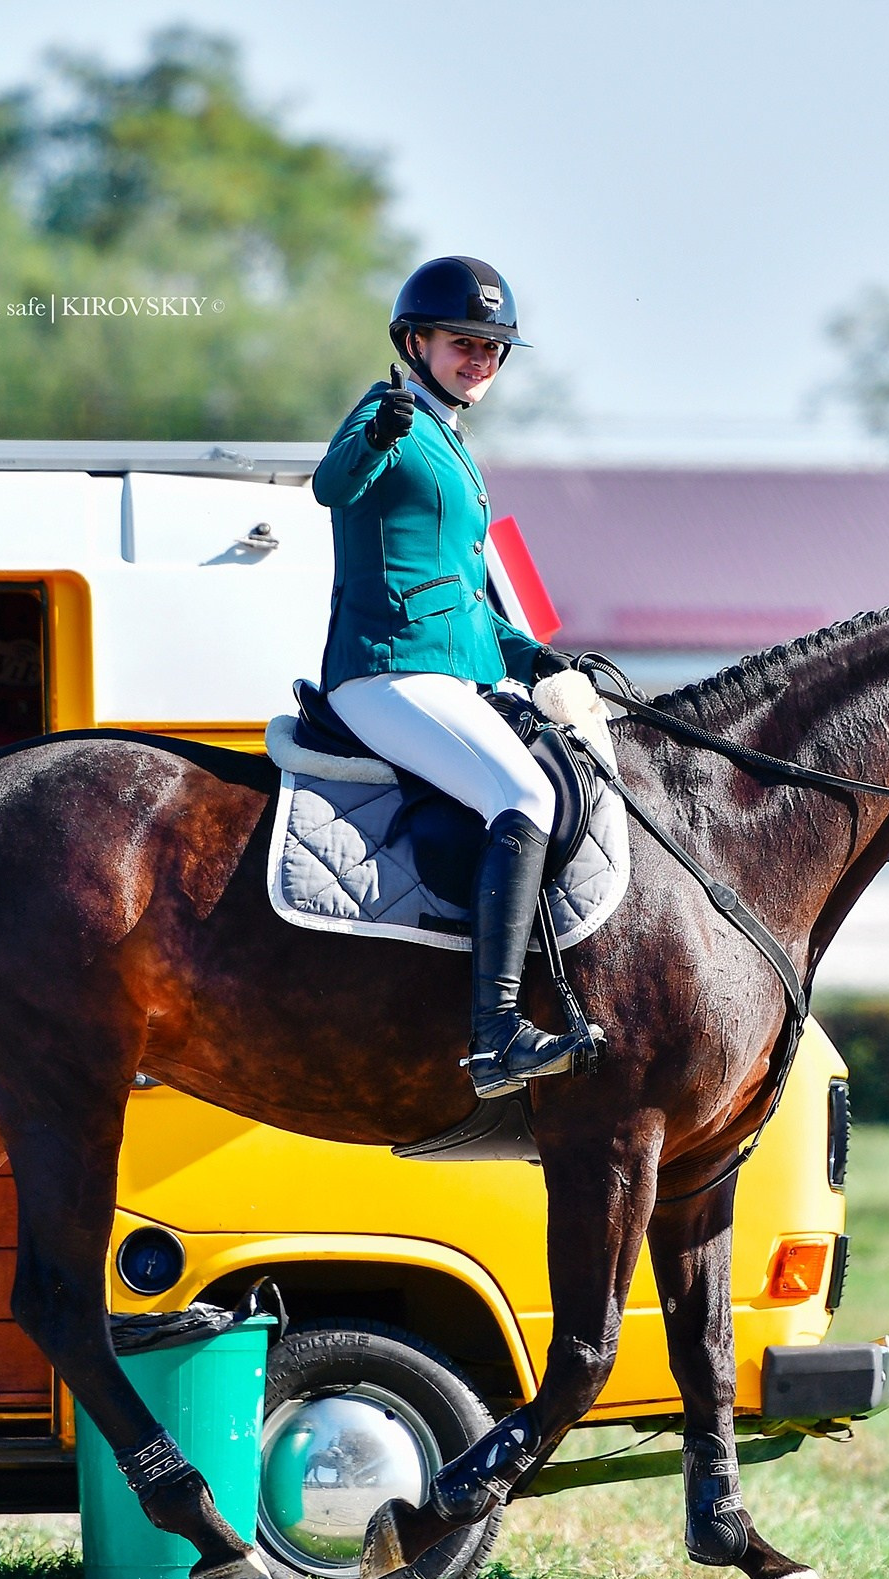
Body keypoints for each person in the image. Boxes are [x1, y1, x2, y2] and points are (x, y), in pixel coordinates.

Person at [313, 255, 600, 1099]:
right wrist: (376, 430)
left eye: (494, 348)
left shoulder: (452, 441)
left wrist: (530, 656)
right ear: (416, 342)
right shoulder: (390, 412)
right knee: (528, 797)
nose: (482, 359)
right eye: (465, 342)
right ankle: (495, 1035)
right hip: (386, 671)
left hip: (449, 673)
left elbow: (467, 601)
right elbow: (333, 487)